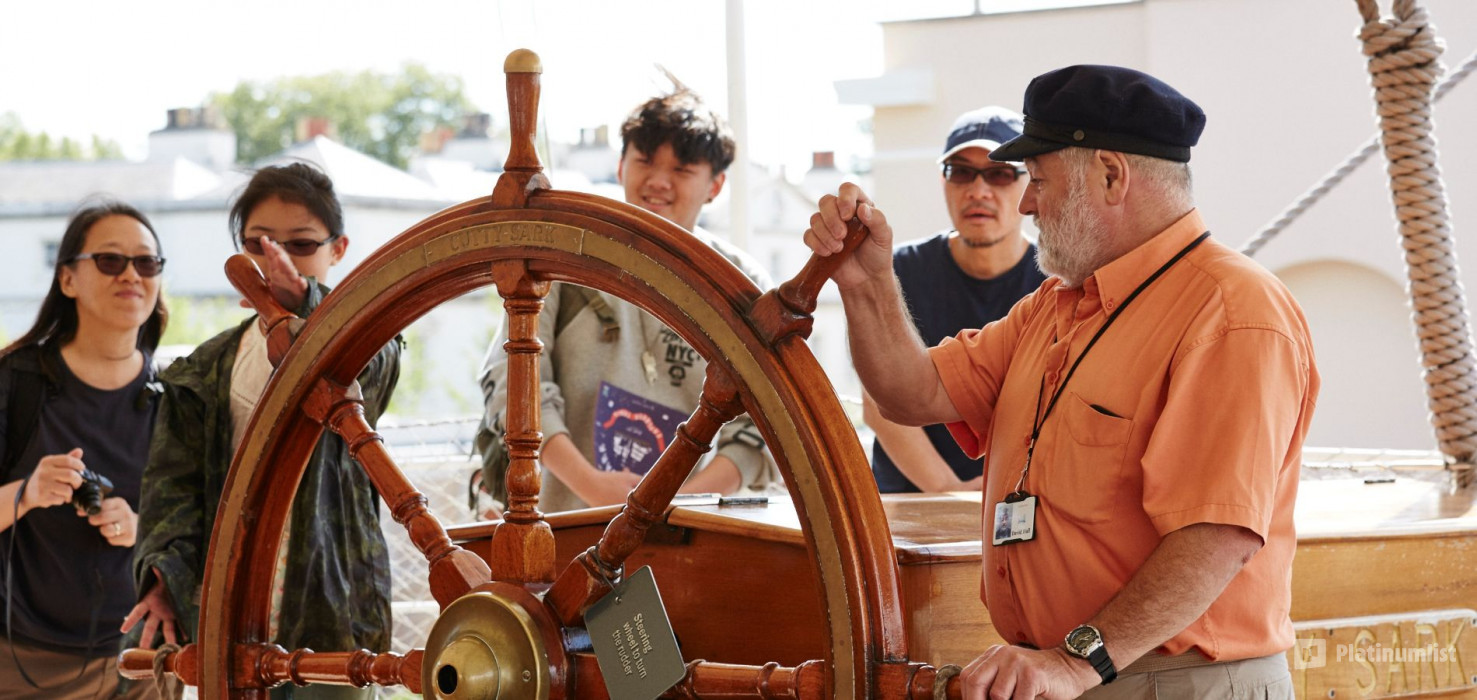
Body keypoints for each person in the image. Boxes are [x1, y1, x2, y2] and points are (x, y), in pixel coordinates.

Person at [805, 65, 1317, 699]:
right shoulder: (1055, 305)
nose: (1023, 203)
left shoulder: (1235, 312)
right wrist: (865, 284)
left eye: (1036, 180)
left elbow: (1215, 538)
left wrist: (1078, 662)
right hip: (1071, 673)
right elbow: (912, 393)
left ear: (1110, 175)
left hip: (1170, 680)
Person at [127, 163, 400, 700]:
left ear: (337, 249)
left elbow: (377, 366)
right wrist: (163, 580)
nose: (275, 260)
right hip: (229, 617)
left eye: (299, 244)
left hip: (334, 615)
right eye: (258, 242)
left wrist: (306, 305)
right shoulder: (204, 368)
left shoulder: (364, 339)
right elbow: (171, 491)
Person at [478, 89, 776, 513]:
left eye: (682, 168)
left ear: (716, 185)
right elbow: (509, 380)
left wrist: (678, 500)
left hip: (695, 532)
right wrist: (593, 485)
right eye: (645, 161)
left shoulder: (741, 284)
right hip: (563, 525)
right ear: (620, 166)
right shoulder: (563, 260)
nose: (658, 180)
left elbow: (765, 420)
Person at [0, 201, 168, 699]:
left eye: (147, 262)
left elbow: (206, 538)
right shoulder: (15, 383)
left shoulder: (179, 397)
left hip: (146, 659)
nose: (131, 276)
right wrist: (27, 493)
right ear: (67, 279)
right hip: (24, 661)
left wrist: (141, 532)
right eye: (110, 261)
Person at [864, 106, 1046, 494]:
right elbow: (879, 400)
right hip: (908, 505)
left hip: (1017, 504)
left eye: (999, 174)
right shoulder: (895, 269)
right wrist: (949, 491)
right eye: (961, 172)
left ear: (1031, 183)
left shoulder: (1056, 284)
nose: (978, 190)